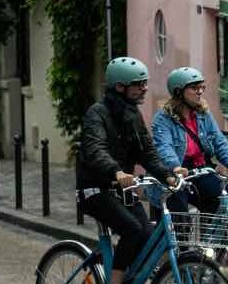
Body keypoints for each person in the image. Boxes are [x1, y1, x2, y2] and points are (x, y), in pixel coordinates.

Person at [77, 57, 185, 284]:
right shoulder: (97, 113)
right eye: (139, 84)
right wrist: (116, 172)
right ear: (120, 87)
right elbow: (95, 149)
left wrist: (167, 175)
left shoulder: (132, 114)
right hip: (95, 189)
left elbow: (147, 151)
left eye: (145, 83)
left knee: (147, 237)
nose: (145, 88)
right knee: (132, 230)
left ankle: (127, 276)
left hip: (122, 190)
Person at [149, 67, 228, 230]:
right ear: (179, 92)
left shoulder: (203, 114)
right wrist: (175, 167)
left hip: (200, 170)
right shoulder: (163, 119)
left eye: (202, 87)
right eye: (194, 88)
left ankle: (214, 250)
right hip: (175, 173)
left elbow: (218, 139)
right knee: (179, 219)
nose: (200, 92)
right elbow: (164, 147)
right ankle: (181, 254)